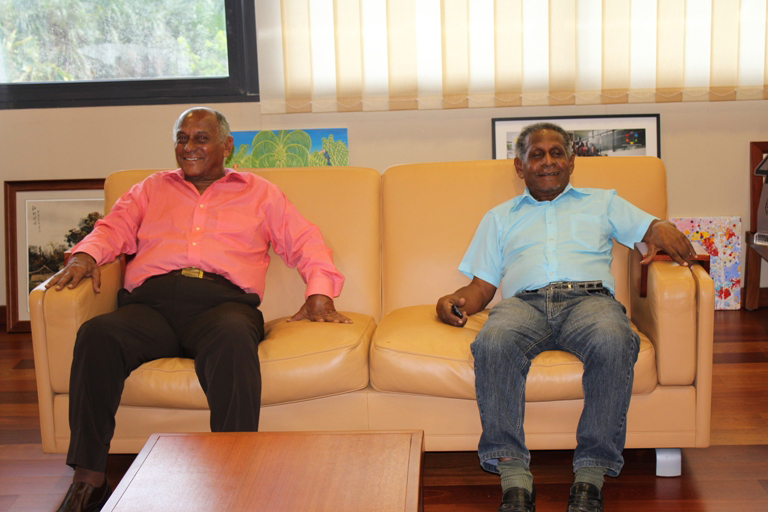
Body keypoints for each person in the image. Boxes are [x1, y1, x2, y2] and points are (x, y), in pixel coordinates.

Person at [49, 107, 351, 512]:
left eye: (201, 138)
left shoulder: (260, 193)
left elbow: (305, 241)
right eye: (182, 138)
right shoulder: (150, 189)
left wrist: (320, 292)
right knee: (97, 334)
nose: (188, 147)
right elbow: (112, 229)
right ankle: (89, 480)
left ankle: (234, 474)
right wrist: (85, 256)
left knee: (233, 340)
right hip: (150, 305)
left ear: (226, 146)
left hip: (223, 305)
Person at [436, 122, 696, 512]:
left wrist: (660, 226)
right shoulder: (499, 217)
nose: (548, 162)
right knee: (492, 342)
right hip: (523, 305)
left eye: (557, 153)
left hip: (589, 301)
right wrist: (453, 301)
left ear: (572, 162)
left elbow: (649, 227)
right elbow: (481, 288)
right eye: (536, 154)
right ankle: (514, 477)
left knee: (615, 340)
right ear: (520, 167)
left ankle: (591, 475)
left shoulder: (603, 202)